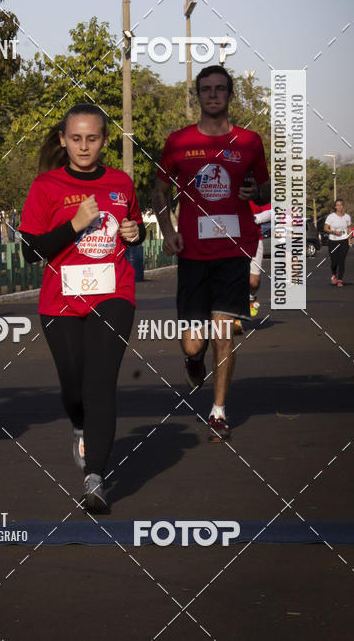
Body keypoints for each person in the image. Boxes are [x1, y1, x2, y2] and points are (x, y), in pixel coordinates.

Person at [19, 104, 145, 512]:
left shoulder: (121, 183)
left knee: (99, 384)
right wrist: (74, 224)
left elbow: (133, 230)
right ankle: (79, 425)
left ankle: (95, 479)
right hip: (61, 301)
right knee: (74, 388)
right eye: (76, 138)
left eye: (92, 138)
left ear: (104, 140)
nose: (84, 146)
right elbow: (29, 252)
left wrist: (135, 232)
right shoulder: (46, 186)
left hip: (114, 294)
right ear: (63, 139)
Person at [152, 65, 270, 443]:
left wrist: (257, 195)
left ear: (231, 96)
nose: (213, 95)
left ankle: (218, 412)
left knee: (224, 334)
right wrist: (168, 232)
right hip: (192, 254)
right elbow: (158, 192)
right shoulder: (178, 142)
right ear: (198, 96)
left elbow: (265, 192)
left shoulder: (250, 142)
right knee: (194, 342)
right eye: (206, 90)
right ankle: (192, 360)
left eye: (221, 89)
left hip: (234, 251)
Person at [249, 201, 272, 317]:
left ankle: (251, 298)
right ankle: (234, 318)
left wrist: (255, 218)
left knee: (253, 282)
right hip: (232, 240)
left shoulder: (257, 192)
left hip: (255, 240)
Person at [324, 199, 351, 287]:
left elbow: (349, 228)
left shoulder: (347, 217)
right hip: (333, 241)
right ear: (335, 207)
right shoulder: (331, 217)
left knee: (341, 260)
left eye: (341, 205)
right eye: (338, 205)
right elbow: (325, 228)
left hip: (344, 241)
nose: (339, 207)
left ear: (343, 206)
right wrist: (334, 232)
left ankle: (340, 280)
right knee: (334, 262)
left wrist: (350, 238)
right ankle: (334, 274)